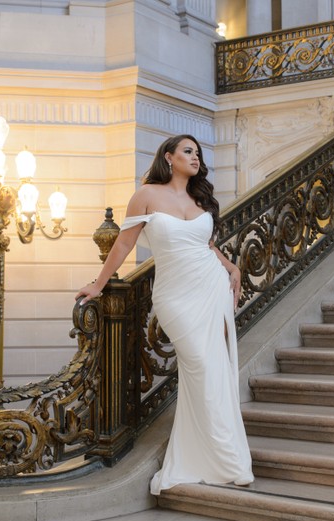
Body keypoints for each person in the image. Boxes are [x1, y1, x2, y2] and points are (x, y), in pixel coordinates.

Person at [76, 134, 254, 494]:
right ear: (169, 157)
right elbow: (124, 242)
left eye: (198, 154)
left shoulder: (199, 198)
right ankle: (216, 455)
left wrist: (231, 267)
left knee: (215, 369)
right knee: (201, 366)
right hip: (176, 297)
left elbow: (204, 244)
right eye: (188, 151)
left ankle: (225, 458)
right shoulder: (146, 196)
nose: (195, 157)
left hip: (212, 288)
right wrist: (98, 284)